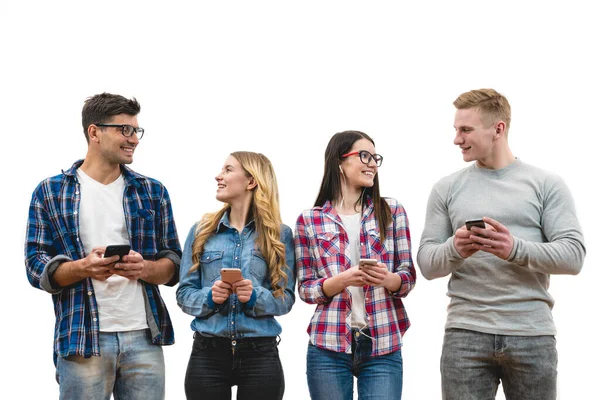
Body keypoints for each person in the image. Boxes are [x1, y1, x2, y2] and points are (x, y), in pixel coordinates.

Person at [417, 88, 586, 400]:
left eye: (465, 130)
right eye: (456, 130)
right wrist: (456, 248)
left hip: (532, 336)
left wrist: (514, 249)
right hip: (465, 334)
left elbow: (573, 256)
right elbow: (426, 263)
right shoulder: (446, 188)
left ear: (498, 129)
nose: (457, 139)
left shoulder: (546, 184)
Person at [24, 93, 182, 400]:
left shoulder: (152, 191)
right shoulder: (51, 191)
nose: (133, 139)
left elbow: (174, 261)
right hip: (82, 338)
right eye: (124, 129)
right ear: (94, 132)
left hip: (144, 339)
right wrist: (83, 267)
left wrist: (146, 268)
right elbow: (34, 264)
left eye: (136, 131)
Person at [295, 130, 416, 400]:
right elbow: (305, 289)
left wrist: (388, 279)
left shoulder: (392, 211)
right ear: (339, 162)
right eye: (364, 155)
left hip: (382, 343)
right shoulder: (309, 220)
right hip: (328, 345)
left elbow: (407, 277)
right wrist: (343, 280)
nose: (372, 163)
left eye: (375, 157)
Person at [177, 151, 296, 400]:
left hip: (260, 354)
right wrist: (210, 297)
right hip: (207, 353)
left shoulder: (280, 235)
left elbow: (285, 299)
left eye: (228, 170)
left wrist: (255, 296)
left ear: (251, 181)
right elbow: (184, 293)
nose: (218, 176)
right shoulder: (201, 231)